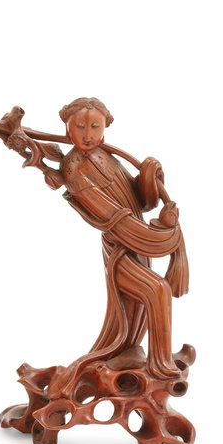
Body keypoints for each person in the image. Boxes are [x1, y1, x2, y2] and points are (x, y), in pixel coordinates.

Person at [13, 97, 188, 388]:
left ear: (106, 127)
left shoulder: (106, 156)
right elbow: (115, 219)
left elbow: (141, 203)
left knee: (142, 302)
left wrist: (149, 175)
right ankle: (161, 366)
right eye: (79, 127)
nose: (87, 134)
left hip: (137, 245)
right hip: (121, 249)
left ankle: (130, 353)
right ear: (68, 129)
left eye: (94, 126)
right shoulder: (73, 170)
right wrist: (164, 235)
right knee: (158, 290)